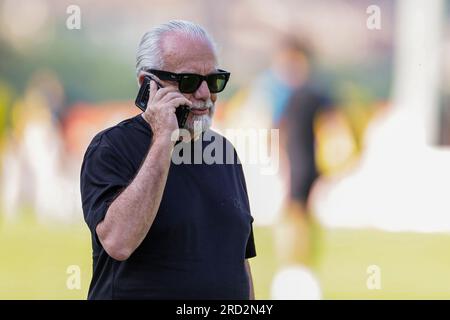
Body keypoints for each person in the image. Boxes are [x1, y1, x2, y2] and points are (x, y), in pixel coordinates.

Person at [80, 20, 256, 300]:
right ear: (147, 84)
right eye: (188, 81)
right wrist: (163, 138)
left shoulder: (224, 152)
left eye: (214, 81)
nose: (204, 94)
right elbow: (118, 242)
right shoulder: (111, 146)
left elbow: (240, 261)